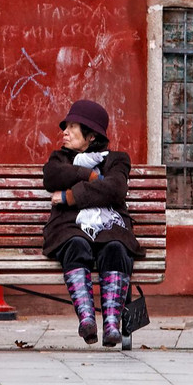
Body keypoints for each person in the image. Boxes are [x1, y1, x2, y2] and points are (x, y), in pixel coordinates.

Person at [42, 99, 144, 347]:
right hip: (70, 229)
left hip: (110, 228)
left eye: (72, 127)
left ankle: (111, 325)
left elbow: (115, 189)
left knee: (116, 247)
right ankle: (87, 320)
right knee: (76, 243)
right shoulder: (60, 159)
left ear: (90, 135)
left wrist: (70, 196)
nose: (64, 132)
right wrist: (88, 174)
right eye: (65, 127)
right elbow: (52, 176)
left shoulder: (117, 160)